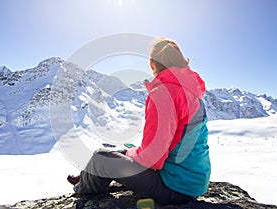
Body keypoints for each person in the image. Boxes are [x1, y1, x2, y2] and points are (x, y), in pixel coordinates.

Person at [67, 37, 211, 205]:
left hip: (173, 187)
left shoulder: (164, 94)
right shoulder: (191, 93)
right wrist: (132, 152)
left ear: (152, 64)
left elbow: (153, 159)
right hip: (194, 182)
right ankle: (86, 176)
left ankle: (83, 188)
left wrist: (133, 154)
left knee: (101, 156)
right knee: (124, 150)